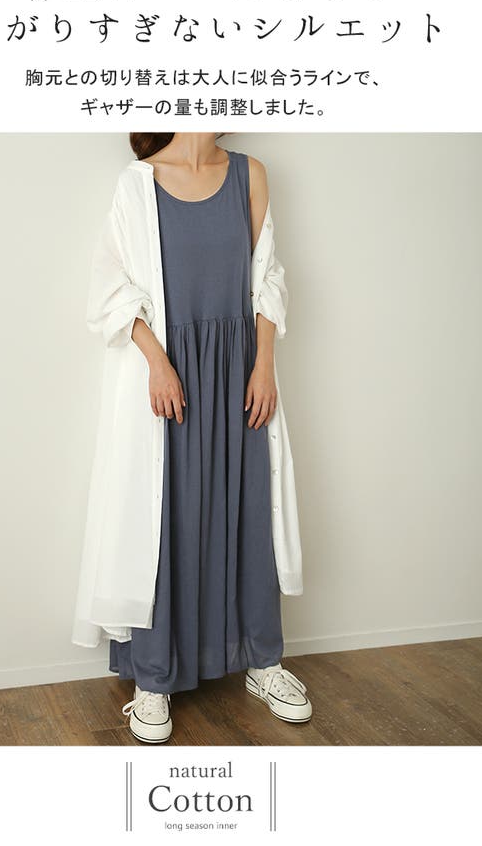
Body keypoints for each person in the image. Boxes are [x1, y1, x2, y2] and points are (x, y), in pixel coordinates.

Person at [83, 133, 311, 744]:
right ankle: (153, 677)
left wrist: (264, 366)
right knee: (163, 520)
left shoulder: (249, 174)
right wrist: (157, 363)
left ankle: (263, 661)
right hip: (170, 376)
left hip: (238, 370)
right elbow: (110, 287)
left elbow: (268, 277)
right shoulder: (138, 184)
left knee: (251, 511)